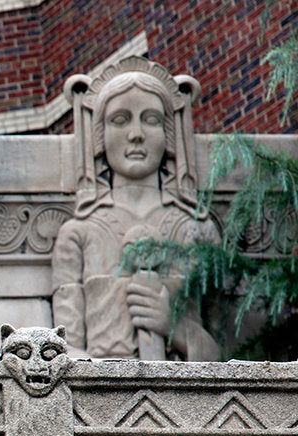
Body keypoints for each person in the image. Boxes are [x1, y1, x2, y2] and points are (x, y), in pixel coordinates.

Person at [52, 57, 219, 361]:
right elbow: (65, 353)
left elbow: (229, 357)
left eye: (151, 119)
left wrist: (174, 326)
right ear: (100, 135)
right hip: (105, 386)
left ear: (169, 134)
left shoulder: (197, 230)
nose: (136, 134)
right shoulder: (78, 233)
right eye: (120, 119)